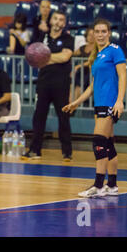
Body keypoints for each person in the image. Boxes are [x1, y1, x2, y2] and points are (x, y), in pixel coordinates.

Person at [63, 18, 127, 198]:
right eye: (97, 32)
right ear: (93, 34)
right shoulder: (97, 56)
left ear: (109, 33)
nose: (100, 35)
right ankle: (112, 186)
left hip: (110, 103)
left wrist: (119, 101)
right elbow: (92, 86)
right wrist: (76, 102)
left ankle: (98, 186)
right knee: (108, 144)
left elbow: (123, 76)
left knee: (98, 141)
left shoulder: (115, 51)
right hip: (99, 103)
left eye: (103, 31)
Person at [21, 10, 74, 161]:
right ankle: (35, 150)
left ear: (64, 23)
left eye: (61, 20)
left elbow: (65, 57)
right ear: (51, 21)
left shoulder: (68, 38)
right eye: (55, 19)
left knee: (63, 118)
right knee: (39, 117)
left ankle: (67, 152)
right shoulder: (41, 37)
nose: (57, 22)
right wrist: (48, 58)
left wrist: (44, 57)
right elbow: (33, 58)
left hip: (61, 84)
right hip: (43, 83)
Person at [71, 27, 94, 101]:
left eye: (93, 35)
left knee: (79, 85)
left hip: (89, 72)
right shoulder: (82, 48)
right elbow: (72, 54)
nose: (91, 37)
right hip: (80, 71)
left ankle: (72, 105)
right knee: (71, 83)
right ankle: (69, 105)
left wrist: (78, 66)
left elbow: (92, 60)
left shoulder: (97, 48)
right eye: (89, 35)